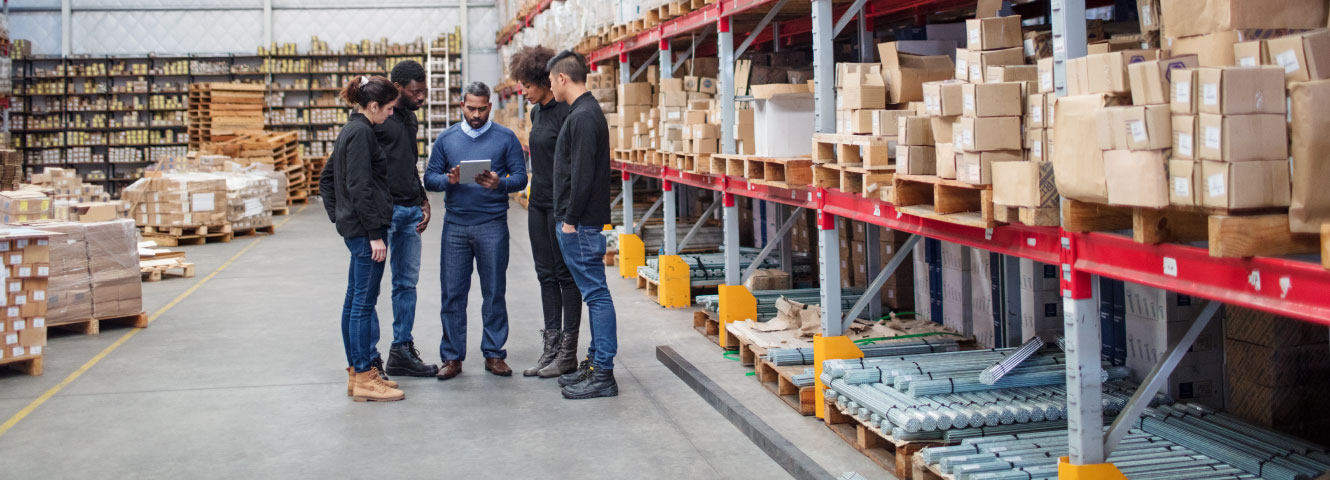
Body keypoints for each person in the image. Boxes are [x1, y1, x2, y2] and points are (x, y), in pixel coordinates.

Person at [423, 82, 528, 380]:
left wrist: (500, 183)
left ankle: (494, 354)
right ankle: (452, 357)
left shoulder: (506, 138)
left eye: (482, 109)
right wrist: (449, 180)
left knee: (494, 291)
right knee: (453, 292)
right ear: (462, 106)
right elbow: (430, 179)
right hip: (455, 225)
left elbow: (520, 177)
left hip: (492, 223)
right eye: (471, 108)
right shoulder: (446, 139)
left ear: (490, 107)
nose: (477, 114)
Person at [319, 75, 404, 402]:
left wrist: (341, 216)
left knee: (355, 300)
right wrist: (371, 233)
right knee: (363, 304)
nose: (391, 114)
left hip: (357, 230)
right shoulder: (362, 134)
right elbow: (359, 187)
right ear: (372, 106)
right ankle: (365, 375)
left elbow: (327, 180)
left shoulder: (350, 131)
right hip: (367, 234)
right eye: (389, 108)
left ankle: (358, 374)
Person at [546, 51, 618, 400]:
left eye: (550, 80)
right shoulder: (581, 114)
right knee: (594, 293)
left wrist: (571, 221)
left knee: (596, 295)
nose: (550, 87)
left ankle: (603, 373)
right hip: (579, 223)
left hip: (582, 225)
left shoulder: (585, 117)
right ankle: (594, 363)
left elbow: (583, 175)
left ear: (562, 78)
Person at [508, 46, 583, 379]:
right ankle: (550, 346)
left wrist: (571, 213)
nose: (523, 90)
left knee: (566, 276)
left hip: (560, 206)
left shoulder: (568, 113)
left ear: (544, 80)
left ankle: (568, 352)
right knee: (545, 274)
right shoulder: (536, 113)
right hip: (537, 203)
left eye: (526, 83)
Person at [372, 60, 438, 379]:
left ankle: (401, 349)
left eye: (424, 91)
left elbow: (409, 162)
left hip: (411, 211)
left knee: (406, 284)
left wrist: (423, 197)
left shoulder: (410, 118)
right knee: (369, 288)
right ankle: (370, 361)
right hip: (385, 213)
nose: (422, 98)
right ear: (398, 89)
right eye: (416, 92)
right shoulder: (377, 119)